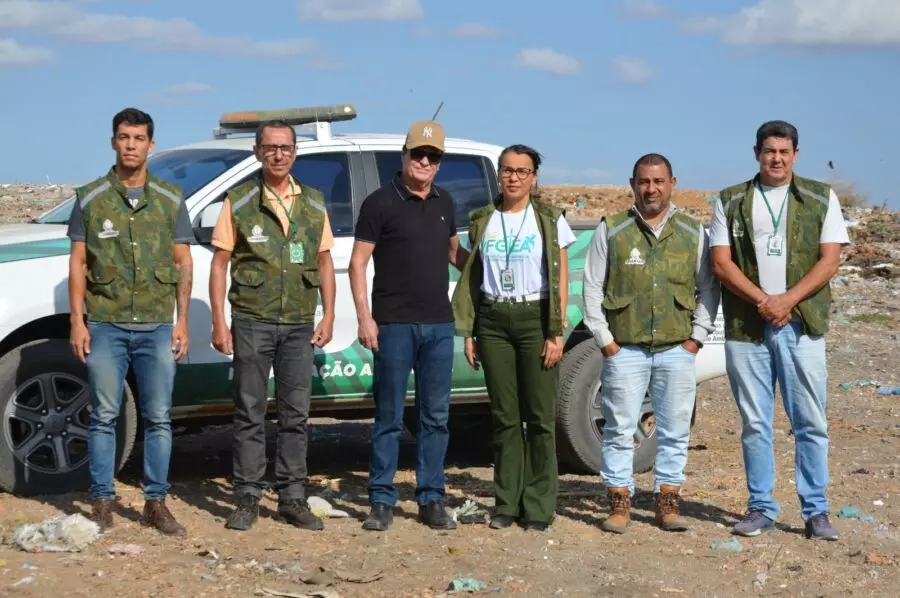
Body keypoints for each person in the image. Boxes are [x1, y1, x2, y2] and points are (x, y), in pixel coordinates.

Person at [709, 121, 849, 541]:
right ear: (756, 153)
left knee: (810, 420)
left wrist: (787, 301)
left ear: (796, 154)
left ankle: (816, 511)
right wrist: (763, 301)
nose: (776, 159)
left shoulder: (821, 198)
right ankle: (761, 507)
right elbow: (721, 262)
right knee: (755, 421)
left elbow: (829, 261)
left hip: (801, 324)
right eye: (769, 151)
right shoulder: (731, 199)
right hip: (747, 325)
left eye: (784, 152)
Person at [67, 107, 193, 535]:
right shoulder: (90, 198)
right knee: (104, 415)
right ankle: (102, 499)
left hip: (157, 323)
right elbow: (79, 262)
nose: (131, 145)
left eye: (139, 138)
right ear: (113, 142)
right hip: (106, 322)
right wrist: (77, 322)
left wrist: (181, 322)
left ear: (151, 145)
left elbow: (183, 260)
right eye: (124, 137)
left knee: (159, 417)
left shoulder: (171, 199)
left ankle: (156, 502)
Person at [208, 119, 336, 532]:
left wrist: (329, 314)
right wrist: (218, 321)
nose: (278, 154)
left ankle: (292, 498)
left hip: (299, 322)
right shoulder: (240, 201)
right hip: (252, 321)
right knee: (249, 412)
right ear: (257, 152)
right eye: (270, 147)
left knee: (295, 415)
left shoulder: (314, 204)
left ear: (295, 152)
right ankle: (246, 496)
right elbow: (219, 263)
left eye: (285, 147)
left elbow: (324, 261)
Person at [582, 154, 720, 534]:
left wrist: (697, 338)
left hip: (677, 349)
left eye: (659, 181)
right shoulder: (611, 230)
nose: (651, 189)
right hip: (625, 350)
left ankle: (667, 503)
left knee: (674, 430)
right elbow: (592, 288)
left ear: (672, 183)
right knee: (619, 429)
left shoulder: (694, 234)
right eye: (644, 181)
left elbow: (708, 289)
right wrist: (606, 341)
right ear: (632, 184)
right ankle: (619, 503)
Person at [349, 120, 468, 531]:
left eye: (432, 156)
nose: (424, 161)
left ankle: (431, 498)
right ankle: (381, 499)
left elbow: (455, 253)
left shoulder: (445, 202)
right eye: (418, 153)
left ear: (439, 163)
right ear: (403, 155)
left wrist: (496, 270)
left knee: (436, 417)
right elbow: (358, 263)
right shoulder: (380, 202)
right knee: (389, 416)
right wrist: (366, 319)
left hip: (438, 324)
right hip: (394, 324)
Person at [451, 144, 575, 531]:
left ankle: (538, 506)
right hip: (493, 320)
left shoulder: (550, 219)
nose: (514, 178)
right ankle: (507, 502)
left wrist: (556, 332)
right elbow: (473, 274)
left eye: (522, 171)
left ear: (534, 177)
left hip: (534, 317)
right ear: (499, 174)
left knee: (539, 417)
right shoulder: (482, 219)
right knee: (505, 417)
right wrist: (469, 330)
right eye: (507, 170)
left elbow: (562, 279)